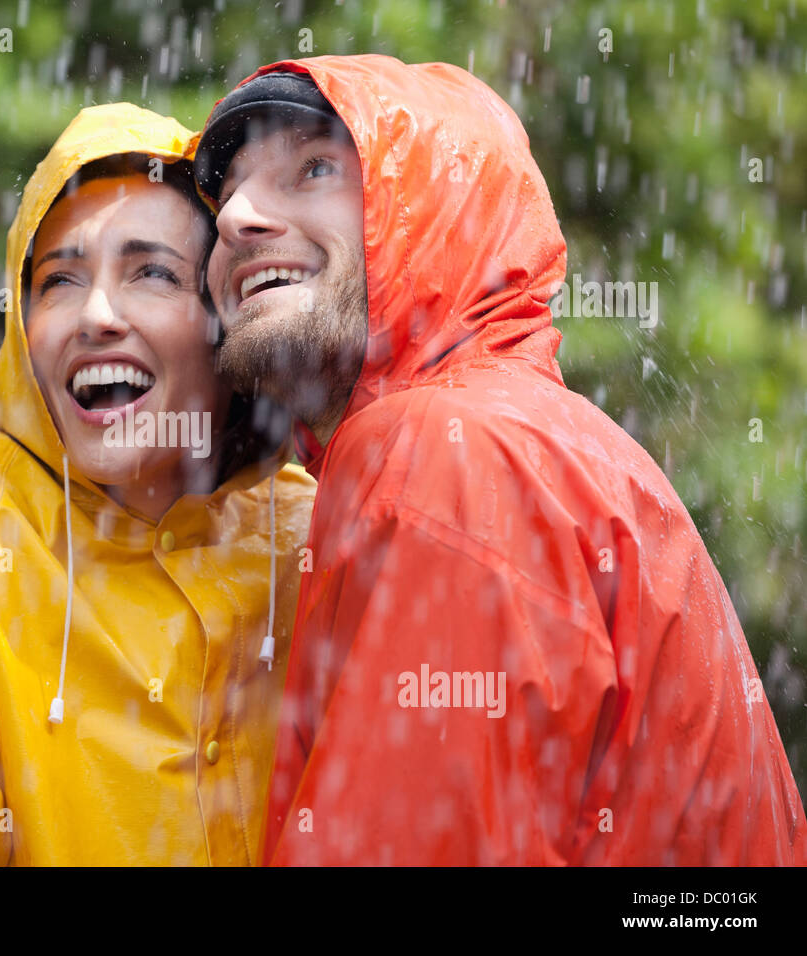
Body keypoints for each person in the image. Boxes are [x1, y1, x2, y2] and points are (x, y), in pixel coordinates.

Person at [193, 55, 806, 865]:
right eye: (227, 194)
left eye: (312, 169)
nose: (236, 217)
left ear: (437, 213)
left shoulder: (444, 451)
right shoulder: (537, 438)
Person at [0, 102, 315, 865]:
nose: (96, 314)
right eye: (59, 280)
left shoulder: (317, 536)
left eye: (152, 273)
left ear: (223, 320)